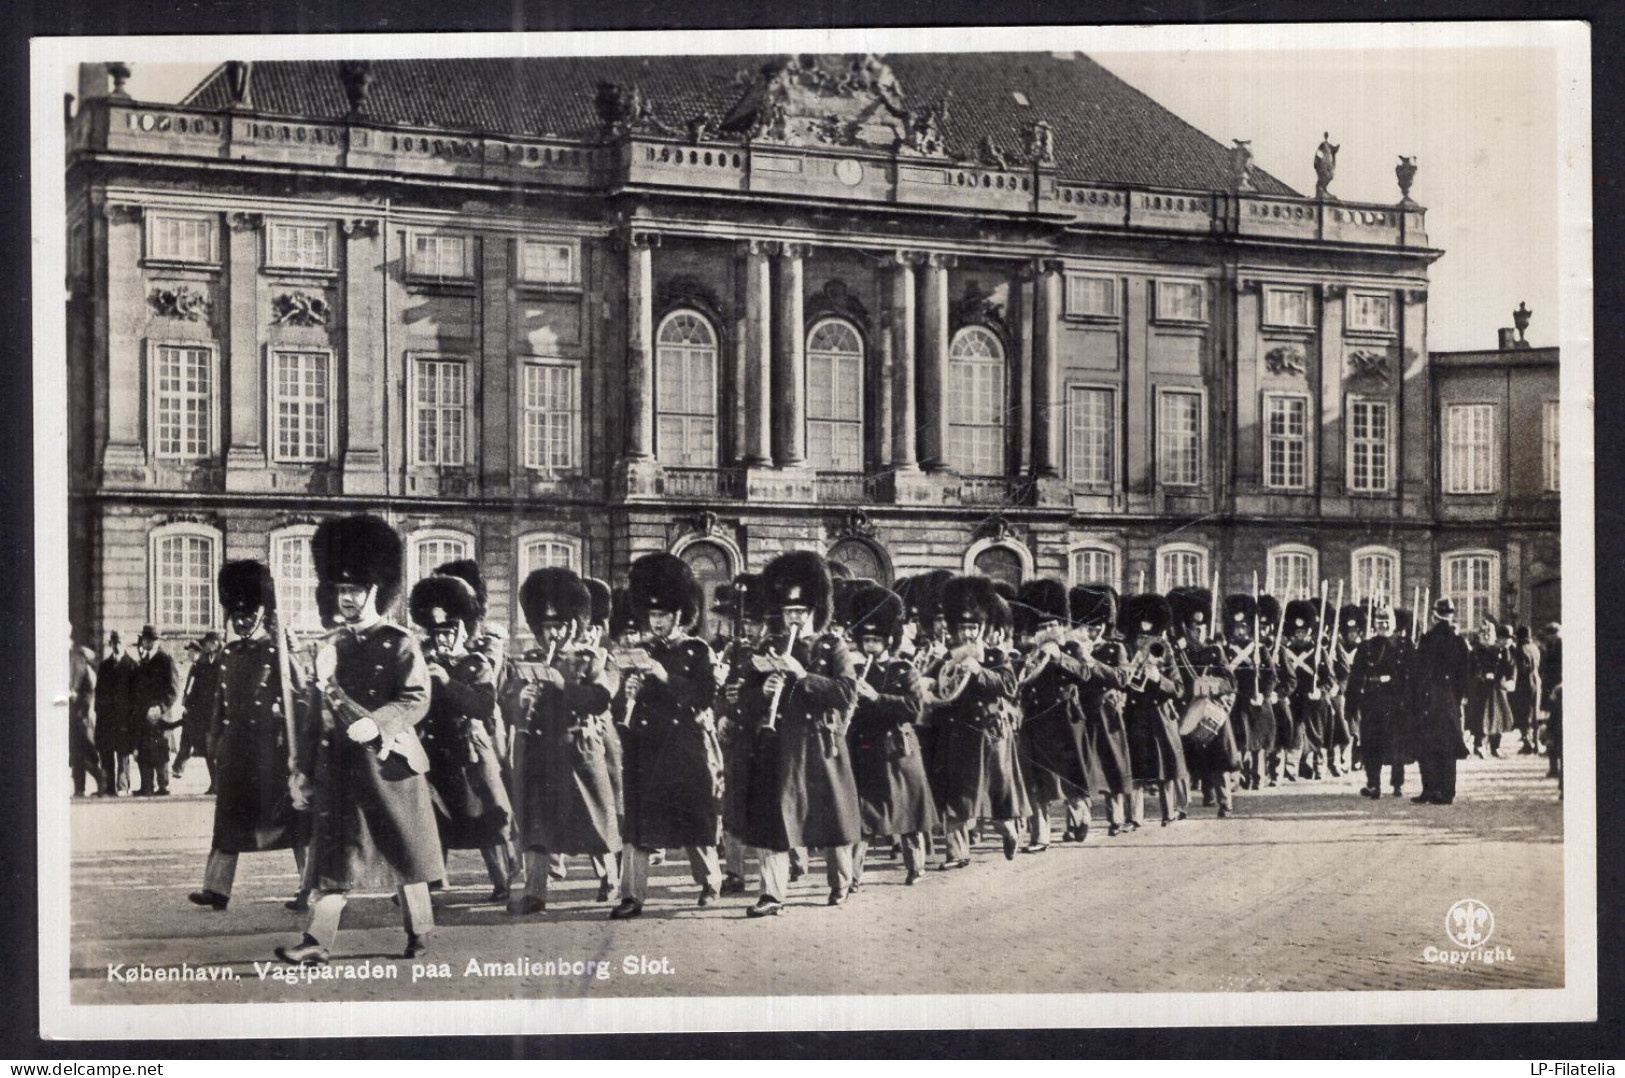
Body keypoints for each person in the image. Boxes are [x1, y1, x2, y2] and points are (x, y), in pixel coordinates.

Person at [276, 514, 444, 966]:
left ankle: (421, 930)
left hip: (388, 768)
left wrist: (381, 722)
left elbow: (416, 697)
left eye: (354, 590)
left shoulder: (399, 643)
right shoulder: (334, 645)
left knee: (405, 858)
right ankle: (316, 942)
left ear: (376, 591)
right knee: (336, 862)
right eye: (340, 590)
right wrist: (303, 771)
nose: (345, 599)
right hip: (343, 771)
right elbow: (315, 715)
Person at [738, 551, 861, 916]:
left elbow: (846, 692)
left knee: (831, 817)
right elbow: (744, 696)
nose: (794, 618)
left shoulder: (832, 646)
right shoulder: (768, 646)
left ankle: (840, 882)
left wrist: (803, 676)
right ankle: (772, 894)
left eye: (801, 612)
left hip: (820, 744)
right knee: (774, 818)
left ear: (814, 612)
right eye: (789, 611)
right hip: (780, 747)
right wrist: (763, 691)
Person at [187, 560, 309, 912]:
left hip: (272, 749)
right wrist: (214, 742)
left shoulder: (278, 653)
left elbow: (301, 699)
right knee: (228, 818)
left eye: (248, 612)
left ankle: (309, 887)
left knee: (294, 822)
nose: (241, 619)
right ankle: (216, 888)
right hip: (237, 750)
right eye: (235, 613)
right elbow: (220, 706)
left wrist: (298, 747)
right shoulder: (228, 654)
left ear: (262, 611)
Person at [610, 552, 723, 920]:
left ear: (678, 615)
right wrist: (627, 693)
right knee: (639, 825)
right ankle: (632, 896)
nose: (656, 622)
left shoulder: (698, 651)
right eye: (652, 615)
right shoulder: (641, 650)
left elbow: (704, 696)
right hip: (646, 748)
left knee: (693, 820)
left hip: (683, 747)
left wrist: (664, 677)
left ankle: (710, 881)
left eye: (662, 616)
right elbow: (621, 704)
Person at [507, 567, 621, 914]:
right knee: (536, 823)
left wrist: (562, 686)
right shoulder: (529, 660)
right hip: (541, 753)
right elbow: (508, 705)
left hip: (579, 752)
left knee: (594, 823)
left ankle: (611, 879)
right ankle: (535, 892)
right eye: (547, 627)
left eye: (559, 625)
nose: (553, 632)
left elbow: (599, 699)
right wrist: (520, 699)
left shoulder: (596, 659)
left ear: (574, 624)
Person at [409, 573, 514, 903]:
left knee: (484, 819)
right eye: (437, 632)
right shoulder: (424, 663)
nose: (443, 638)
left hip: (469, 751)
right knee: (433, 818)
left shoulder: (477, 663)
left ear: (462, 631)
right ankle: (428, 881)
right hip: (434, 750)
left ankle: (503, 880)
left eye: (449, 632)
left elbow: (483, 705)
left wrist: (447, 682)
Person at [926, 575, 1027, 866]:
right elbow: (930, 680)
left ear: (982, 628)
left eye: (973, 627)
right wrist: (926, 684)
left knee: (997, 796)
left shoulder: (995, 655)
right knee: (955, 796)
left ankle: (1008, 831)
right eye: (963, 628)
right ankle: (957, 853)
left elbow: (1009, 685)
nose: (968, 634)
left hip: (988, 734)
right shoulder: (947, 656)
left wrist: (980, 671)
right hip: (956, 733)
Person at [846, 583, 937, 886]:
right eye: (866, 640)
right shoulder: (854, 671)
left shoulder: (903, 669)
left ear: (888, 639)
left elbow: (913, 708)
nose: (870, 646)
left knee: (907, 816)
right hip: (865, 751)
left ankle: (916, 867)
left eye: (876, 640)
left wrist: (876, 698)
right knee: (862, 818)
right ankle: (852, 878)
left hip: (898, 752)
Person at [1014, 578, 1104, 850]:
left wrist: (1059, 658)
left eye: (1054, 624)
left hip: (1066, 718)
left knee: (1071, 774)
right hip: (1035, 718)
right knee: (1036, 779)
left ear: (1062, 624)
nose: (1050, 629)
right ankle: (1039, 835)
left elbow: (1086, 674)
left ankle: (1080, 812)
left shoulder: (1072, 648)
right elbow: (1020, 681)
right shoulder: (1027, 653)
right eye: (1043, 626)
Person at [716, 573, 769, 896]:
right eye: (746, 622)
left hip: (764, 737)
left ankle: (787, 862)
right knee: (733, 806)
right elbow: (720, 687)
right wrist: (721, 712)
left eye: (756, 623)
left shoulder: (775, 651)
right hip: (736, 737)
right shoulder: (734, 650)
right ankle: (735, 872)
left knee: (768, 807)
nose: (750, 629)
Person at [1168, 588, 1239, 817]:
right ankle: (1181, 806)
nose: (1199, 631)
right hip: (1186, 710)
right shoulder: (1177, 654)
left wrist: (1209, 686)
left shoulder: (1215, 651)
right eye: (1194, 627)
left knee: (1220, 761)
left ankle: (1225, 803)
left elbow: (1231, 682)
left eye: (1202, 627)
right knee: (1185, 763)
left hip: (1212, 711)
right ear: (1184, 628)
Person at [1069, 585, 1133, 836]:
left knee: (1112, 765)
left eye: (1098, 625)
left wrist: (1092, 663)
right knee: (1078, 765)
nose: (1094, 629)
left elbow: (1122, 677)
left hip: (1106, 715)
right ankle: (1076, 821)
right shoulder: (1072, 648)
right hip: (1079, 712)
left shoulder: (1115, 648)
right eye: (1088, 624)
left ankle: (1116, 818)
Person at [1118, 594, 1185, 828]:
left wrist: (1159, 679)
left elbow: (1178, 688)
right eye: (1141, 625)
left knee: (1164, 766)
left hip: (1159, 714)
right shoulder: (1126, 648)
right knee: (1135, 768)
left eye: (1149, 624)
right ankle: (1134, 817)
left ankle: (1169, 812)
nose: (1144, 630)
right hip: (1134, 714)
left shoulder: (1164, 649)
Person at [1346, 604, 1413, 799]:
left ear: (1393, 623)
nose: (1383, 625)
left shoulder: (1404, 645)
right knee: (1371, 743)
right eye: (1379, 621)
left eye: (1387, 621)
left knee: (1397, 743)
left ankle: (1397, 784)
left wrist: (1411, 700)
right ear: (1374, 624)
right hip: (1372, 700)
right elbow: (1356, 677)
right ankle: (1373, 784)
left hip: (1396, 700)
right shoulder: (1366, 647)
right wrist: (1351, 705)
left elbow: (1413, 674)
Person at [1409, 598, 1471, 805]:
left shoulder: (1427, 639)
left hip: (1428, 697)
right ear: (1452, 615)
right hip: (1449, 699)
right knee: (1447, 745)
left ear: (1434, 616)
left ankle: (1429, 789)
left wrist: (1418, 696)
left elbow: (1418, 671)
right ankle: (1447, 792)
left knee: (1426, 744)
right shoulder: (1459, 641)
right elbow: (1465, 674)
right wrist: (1458, 696)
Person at [1280, 601, 1333, 782]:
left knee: (1317, 733)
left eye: (1303, 632)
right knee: (1294, 733)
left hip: (1314, 698)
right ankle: (1291, 768)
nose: (1300, 635)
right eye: (1297, 632)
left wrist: (1320, 690)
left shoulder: (1319, 652)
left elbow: (1329, 679)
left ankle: (1319, 766)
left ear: (1310, 631)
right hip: (1294, 698)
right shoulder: (1286, 652)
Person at [129, 624, 180, 796]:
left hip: (160, 715)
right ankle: (146, 786)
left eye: (152, 639)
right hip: (144, 715)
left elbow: (173, 689)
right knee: (144, 750)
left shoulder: (165, 660)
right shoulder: (143, 661)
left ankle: (163, 786)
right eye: (146, 639)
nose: (148, 642)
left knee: (160, 751)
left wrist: (161, 707)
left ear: (157, 641)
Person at [173, 631, 223, 792]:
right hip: (203, 713)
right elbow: (195, 688)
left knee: (216, 750)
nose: (205, 647)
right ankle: (215, 783)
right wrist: (189, 704)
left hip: (217, 712)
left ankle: (219, 784)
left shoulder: (223, 662)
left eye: (207, 643)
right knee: (209, 750)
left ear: (215, 643)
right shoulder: (203, 664)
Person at [1463, 619, 1517, 759]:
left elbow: (1510, 666)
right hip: (1480, 689)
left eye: (1489, 633)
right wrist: (1481, 677)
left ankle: (1495, 746)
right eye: (1483, 633)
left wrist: (1510, 680)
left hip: (1497, 689)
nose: (1486, 636)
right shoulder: (1476, 652)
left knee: (1498, 717)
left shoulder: (1501, 650)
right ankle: (1479, 745)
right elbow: (1470, 670)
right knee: (1481, 718)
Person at [94, 632, 136, 796]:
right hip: (106, 719)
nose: (117, 646)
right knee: (106, 752)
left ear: (124, 644)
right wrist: (99, 711)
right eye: (114, 643)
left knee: (123, 754)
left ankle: (122, 786)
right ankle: (108, 787)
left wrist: (132, 717)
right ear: (110, 644)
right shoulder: (104, 666)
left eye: (119, 643)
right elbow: (98, 692)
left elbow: (135, 694)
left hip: (124, 719)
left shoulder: (132, 665)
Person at [1329, 604, 1365, 775]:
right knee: (1343, 724)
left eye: (1355, 631)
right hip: (1343, 689)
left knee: (1359, 726)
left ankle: (1357, 759)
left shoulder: (1364, 648)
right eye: (1349, 631)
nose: (1352, 634)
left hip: (1359, 690)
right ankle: (1342, 758)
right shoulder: (1337, 648)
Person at [1510, 625, 1544, 754]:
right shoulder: (1534, 647)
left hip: (1524, 683)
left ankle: (1527, 742)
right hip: (1536, 680)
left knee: (1523, 713)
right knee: (1535, 712)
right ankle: (1536, 742)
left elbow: (1521, 668)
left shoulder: (1520, 648)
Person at [1539, 623, 1563, 782]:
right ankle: (1553, 767)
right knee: (1550, 730)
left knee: (1554, 731)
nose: (1548, 638)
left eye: (1549, 635)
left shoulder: (1561, 646)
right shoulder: (1551, 646)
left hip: (1558, 694)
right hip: (1550, 695)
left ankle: (1556, 768)